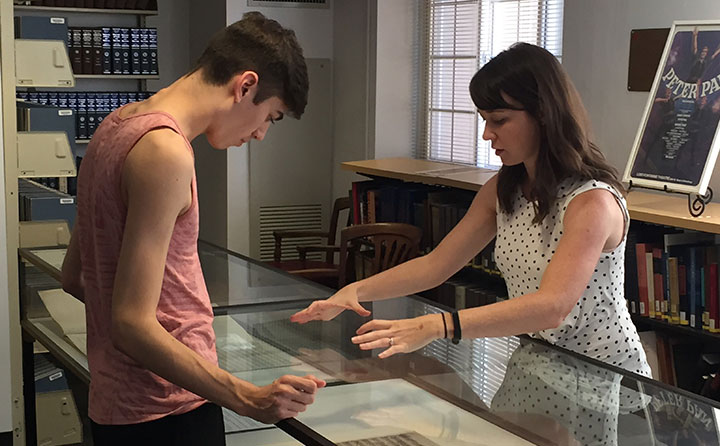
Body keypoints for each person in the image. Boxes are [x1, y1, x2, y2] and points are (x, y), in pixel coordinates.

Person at [291, 42, 652, 379]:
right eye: (483, 119)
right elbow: (437, 264)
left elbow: (552, 306)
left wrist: (439, 326)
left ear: (543, 114)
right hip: (535, 363)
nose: (486, 135)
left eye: (498, 120)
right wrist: (355, 290)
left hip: (602, 375)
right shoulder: (504, 188)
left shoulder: (592, 202)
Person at [60, 12, 325, 445]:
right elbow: (130, 323)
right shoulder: (166, 151)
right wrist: (246, 397)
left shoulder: (114, 125)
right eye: (271, 117)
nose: (260, 135)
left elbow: (76, 276)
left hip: (119, 404)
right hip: (165, 410)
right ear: (245, 86)